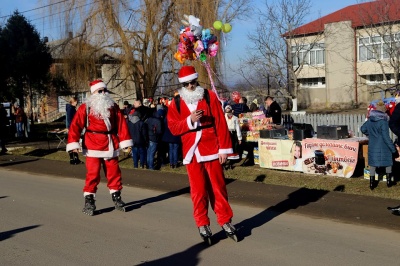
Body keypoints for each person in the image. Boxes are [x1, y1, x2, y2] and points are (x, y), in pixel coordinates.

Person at [167, 65, 237, 244]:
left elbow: (220, 123)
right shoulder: (176, 103)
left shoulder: (209, 95)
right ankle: (202, 223)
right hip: (192, 152)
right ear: (182, 85)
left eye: (193, 82)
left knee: (218, 188)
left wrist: (224, 149)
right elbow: (173, 128)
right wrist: (189, 120)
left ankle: (225, 220)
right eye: (187, 84)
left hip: (212, 149)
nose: (191, 86)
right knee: (198, 191)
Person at [66, 79, 133, 216]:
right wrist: (73, 144)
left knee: (114, 172)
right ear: (93, 93)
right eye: (100, 91)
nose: (103, 93)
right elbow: (75, 126)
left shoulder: (113, 106)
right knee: (93, 174)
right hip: (92, 145)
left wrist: (125, 142)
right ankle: (89, 200)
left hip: (110, 143)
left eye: (104, 90)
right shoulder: (85, 108)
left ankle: (117, 197)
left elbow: (121, 124)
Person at [361, 100, 398, 190]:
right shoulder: (383, 122)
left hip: (373, 144)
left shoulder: (370, 120)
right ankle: (389, 182)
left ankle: (372, 183)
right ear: (383, 111)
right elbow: (386, 137)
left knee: (373, 164)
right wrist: (393, 149)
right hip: (383, 145)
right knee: (388, 163)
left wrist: (370, 135)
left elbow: (362, 129)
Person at [224, 105, 242, 169]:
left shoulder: (235, 118)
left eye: (229, 109)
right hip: (226, 133)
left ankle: (231, 163)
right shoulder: (224, 118)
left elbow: (237, 128)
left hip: (233, 134)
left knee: (233, 147)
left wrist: (239, 138)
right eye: (226, 109)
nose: (228, 110)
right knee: (226, 148)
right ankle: (225, 163)